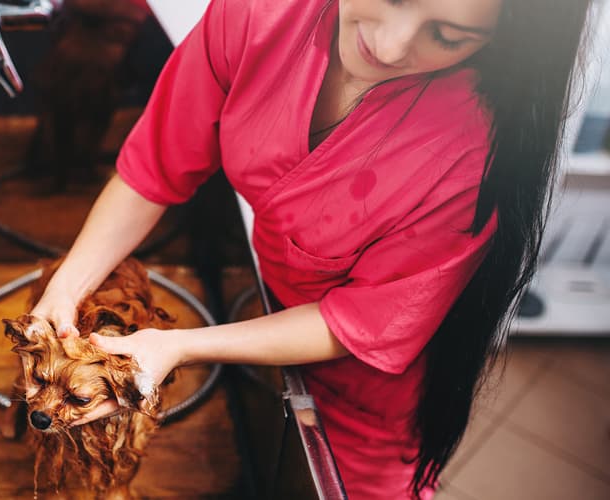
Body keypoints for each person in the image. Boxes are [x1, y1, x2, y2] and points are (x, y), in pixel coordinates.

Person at [29, 0, 592, 498]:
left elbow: (357, 324)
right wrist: (65, 288)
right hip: (272, 309)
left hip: (365, 389)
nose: (389, 46)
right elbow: (156, 165)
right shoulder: (259, 13)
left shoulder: (473, 153)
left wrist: (177, 346)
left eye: (446, 36)